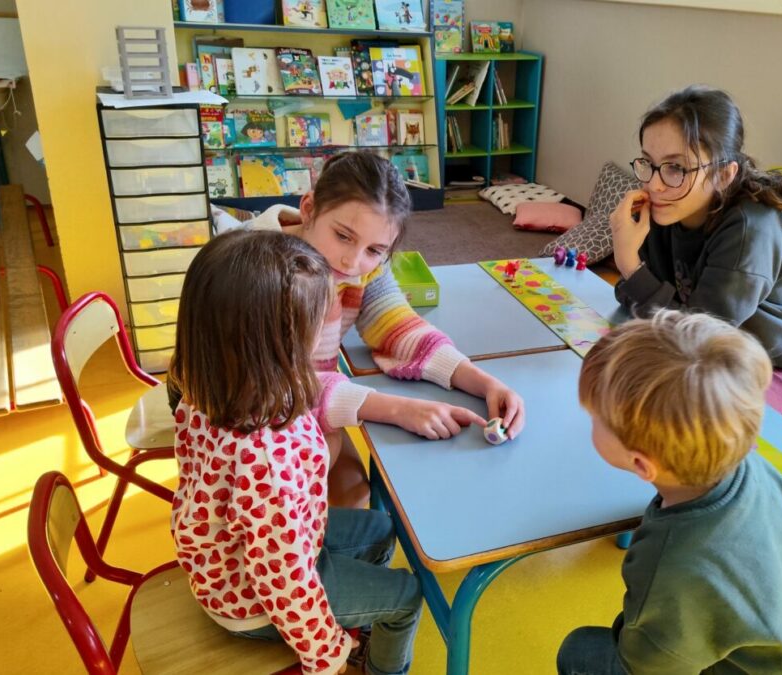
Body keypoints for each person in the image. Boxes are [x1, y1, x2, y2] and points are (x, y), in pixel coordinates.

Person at [169, 230, 422, 675]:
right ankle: (375, 664)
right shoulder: (267, 459)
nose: (326, 331)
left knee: (382, 530)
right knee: (407, 598)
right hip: (252, 600)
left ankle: (357, 622)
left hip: (237, 555)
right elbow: (282, 580)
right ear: (278, 346)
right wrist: (326, 653)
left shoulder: (210, 384)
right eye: (319, 323)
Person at [216, 151, 526, 508]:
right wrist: (396, 409)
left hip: (300, 405)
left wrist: (484, 383)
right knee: (331, 491)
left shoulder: (363, 267)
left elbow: (397, 325)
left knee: (355, 491)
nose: (353, 262)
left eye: (375, 250)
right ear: (309, 208)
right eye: (343, 236)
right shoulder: (253, 273)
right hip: (234, 415)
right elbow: (272, 386)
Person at [557, 310, 782, 675]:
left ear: (642, 465)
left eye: (594, 417)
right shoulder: (747, 464)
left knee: (577, 650)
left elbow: (649, 668)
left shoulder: (674, 566)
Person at [608, 84, 782, 434]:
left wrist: (628, 264)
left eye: (676, 168)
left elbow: (697, 343)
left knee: (691, 422)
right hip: (733, 351)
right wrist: (637, 275)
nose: (654, 184)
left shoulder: (749, 227)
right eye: (649, 164)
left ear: (724, 174)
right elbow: (641, 302)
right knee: (622, 375)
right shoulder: (668, 210)